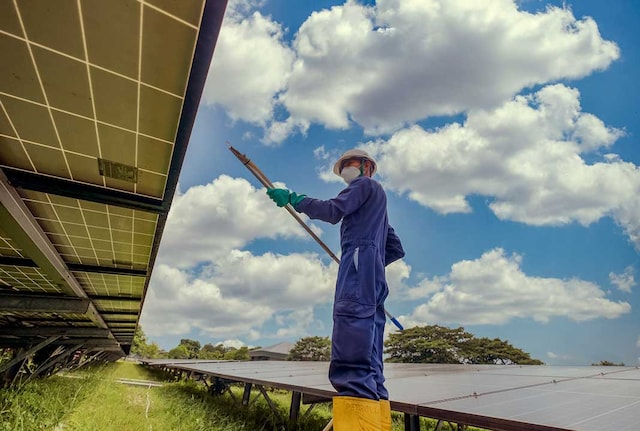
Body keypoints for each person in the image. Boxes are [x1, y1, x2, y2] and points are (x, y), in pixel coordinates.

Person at [266, 149, 405, 431]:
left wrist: (295, 199)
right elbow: (396, 248)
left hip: (358, 270)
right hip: (372, 276)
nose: (344, 169)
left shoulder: (364, 185)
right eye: (342, 166)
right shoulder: (379, 205)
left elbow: (332, 211)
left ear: (366, 167)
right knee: (370, 355)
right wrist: (372, 260)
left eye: (349, 164)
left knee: (351, 342)